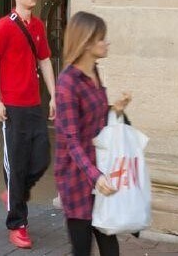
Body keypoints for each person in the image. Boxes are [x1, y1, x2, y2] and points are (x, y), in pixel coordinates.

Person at [0, 0, 56, 251]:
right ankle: (17, 225)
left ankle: (15, 193)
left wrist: (53, 95)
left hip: (34, 105)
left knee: (41, 158)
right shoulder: (4, 26)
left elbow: (45, 60)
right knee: (16, 165)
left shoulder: (37, 25)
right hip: (12, 108)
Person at [55, 13, 133, 256]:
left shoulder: (94, 73)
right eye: (102, 38)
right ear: (87, 42)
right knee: (81, 249)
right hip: (77, 178)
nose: (106, 43)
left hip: (99, 170)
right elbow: (71, 139)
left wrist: (115, 109)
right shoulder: (67, 83)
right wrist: (95, 177)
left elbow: (95, 119)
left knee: (110, 246)